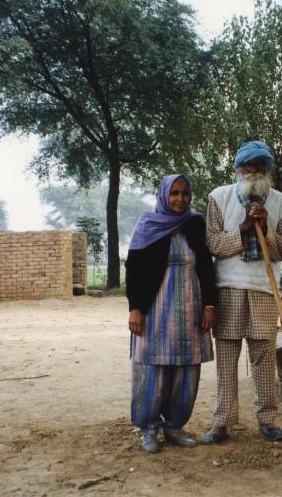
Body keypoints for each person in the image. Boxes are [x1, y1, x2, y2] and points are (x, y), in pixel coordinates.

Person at [201, 140, 282, 444]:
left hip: (263, 290)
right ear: (238, 168)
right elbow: (212, 245)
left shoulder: (281, 203)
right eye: (246, 165)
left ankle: (267, 421)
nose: (252, 170)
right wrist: (243, 228)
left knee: (264, 358)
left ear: (266, 169)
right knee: (227, 359)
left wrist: (266, 228)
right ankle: (223, 422)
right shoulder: (219, 198)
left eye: (258, 165)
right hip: (228, 288)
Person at [126, 174, 217, 453]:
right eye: (174, 193)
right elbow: (134, 269)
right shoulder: (148, 224)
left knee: (186, 372)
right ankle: (149, 428)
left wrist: (210, 305)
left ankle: (174, 426)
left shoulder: (195, 224)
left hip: (190, 310)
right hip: (155, 313)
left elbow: (205, 266)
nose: (180, 199)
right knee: (152, 372)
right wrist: (135, 308)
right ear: (164, 195)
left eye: (185, 194)